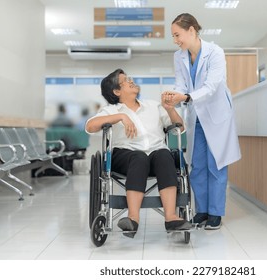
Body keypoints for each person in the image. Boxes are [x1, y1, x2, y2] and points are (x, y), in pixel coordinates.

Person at [85, 68, 191, 238]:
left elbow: (180, 127)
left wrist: (170, 109)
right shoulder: (112, 109)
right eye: (126, 81)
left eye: (130, 78)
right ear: (117, 91)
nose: (131, 81)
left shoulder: (153, 106)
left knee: (164, 155)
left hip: (156, 155)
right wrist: (121, 117)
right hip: (126, 156)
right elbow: (90, 126)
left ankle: (171, 217)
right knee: (139, 156)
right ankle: (132, 218)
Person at [163, 13, 241, 230]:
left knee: (216, 164)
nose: (176, 40)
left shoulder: (215, 52)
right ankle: (202, 211)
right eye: (173, 36)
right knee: (197, 166)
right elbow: (181, 84)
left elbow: (212, 86)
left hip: (216, 115)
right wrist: (173, 96)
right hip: (196, 116)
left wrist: (186, 97)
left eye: (177, 35)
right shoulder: (179, 56)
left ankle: (216, 213)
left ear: (192, 30)